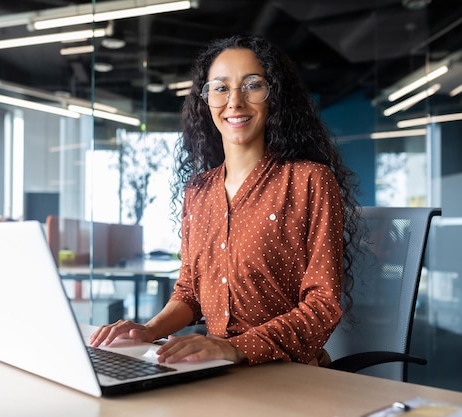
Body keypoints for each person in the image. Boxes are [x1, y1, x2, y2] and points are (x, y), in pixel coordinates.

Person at [90, 34, 361, 366]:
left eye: (252, 85)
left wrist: (238, 347)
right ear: (206, 100)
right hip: (214, 366)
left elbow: (323, 305)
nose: (235, 102)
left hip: (288, 373)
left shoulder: (310, 180)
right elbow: (189, 292)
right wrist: (147, 331)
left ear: (274, 95)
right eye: (220, 88)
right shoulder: (199, 191)